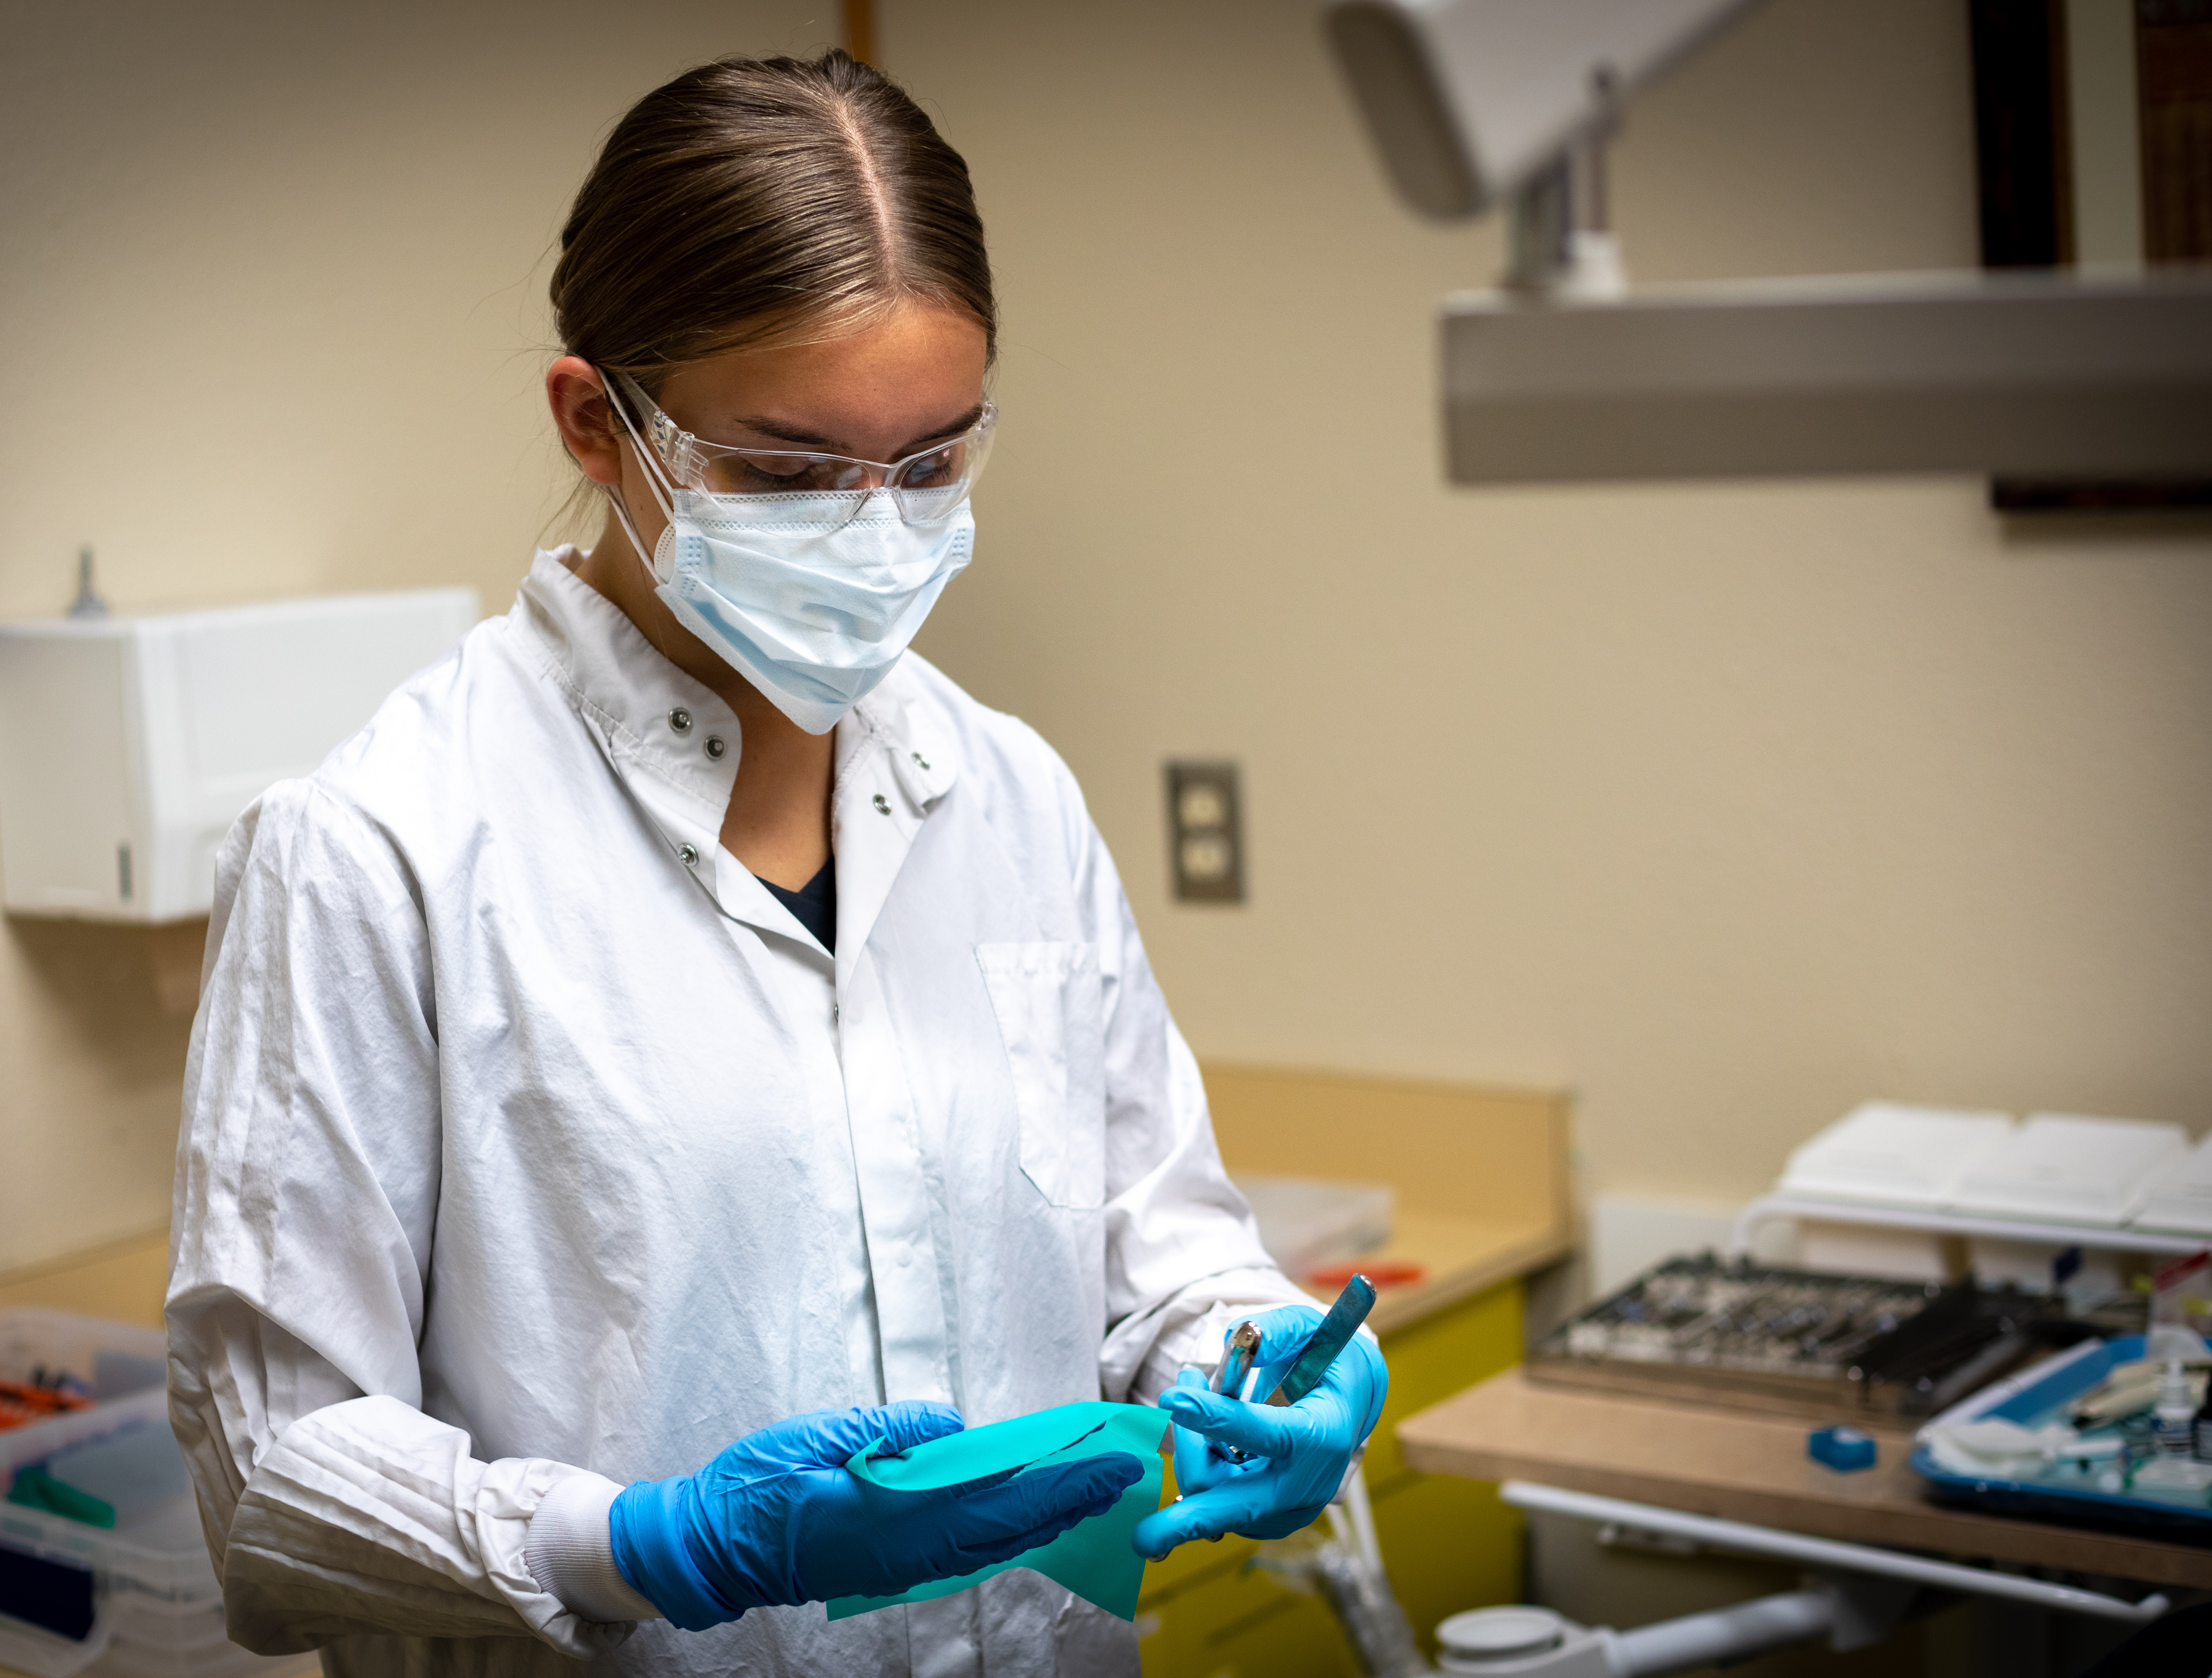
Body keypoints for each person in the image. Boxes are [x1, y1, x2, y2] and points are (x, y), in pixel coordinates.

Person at [165, 47, 1385, 1678]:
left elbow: (1155, 1242)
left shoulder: (1007, 795)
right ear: (599, 423)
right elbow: (271, 1486)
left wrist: (1250, 1351)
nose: (873, 529)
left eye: (933, 461)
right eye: (790, 475)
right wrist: (648, 1546)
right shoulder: (379, 848)